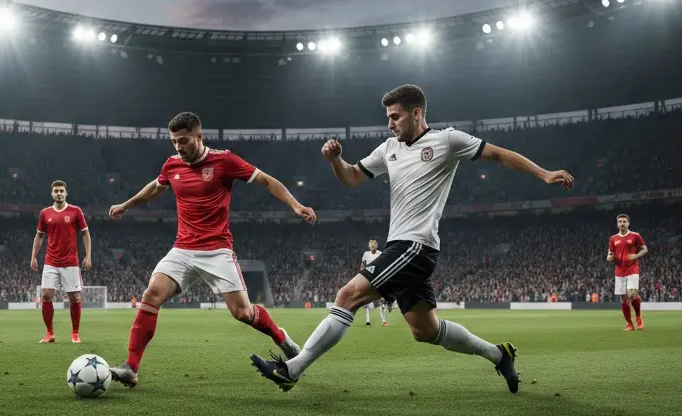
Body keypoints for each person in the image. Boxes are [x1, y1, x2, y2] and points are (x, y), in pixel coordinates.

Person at [250, 84, 574, 394]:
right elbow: (350, 177)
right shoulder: (388, 148)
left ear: (416, 113)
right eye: (388, 117)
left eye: (395, 116)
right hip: (399, 247)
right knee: (426, 331)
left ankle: (292, 369)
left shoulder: (448, 141)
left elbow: (500, 155)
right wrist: (335, 160)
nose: (389, 123)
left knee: (346, 295)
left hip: (417, 246)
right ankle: (499, 355)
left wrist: (543, 173)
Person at [107, 111, 317, 388]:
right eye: (174, 142)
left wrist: (296, 205)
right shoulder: (171, 165)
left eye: (183, 141)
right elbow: (155, 189)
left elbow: (267, 180)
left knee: (243, 313)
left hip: (217, 250)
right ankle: (131, 368)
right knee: (151, 294)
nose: (178, 148)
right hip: (182, 249)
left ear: (199, 136)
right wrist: (126, 204)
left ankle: (282, 338)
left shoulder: (224, 161)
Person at [30, 180, 92, 344]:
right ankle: (50, 333)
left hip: (71, 262)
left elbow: (85, 234)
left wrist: (88, 255)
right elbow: (39, 236)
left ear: (66, 193)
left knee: (74, 297)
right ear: (52, 194)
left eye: (61, 191)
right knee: (46, 295)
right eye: (56, 191)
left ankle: (75, 333)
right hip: (51, 261)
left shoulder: (75, 211)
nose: (59, 193)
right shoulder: (45, 213)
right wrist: (33, 256)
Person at [607, 214, 648, 331]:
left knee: (632, 294)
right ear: (617, 223)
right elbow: (610, 253)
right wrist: (609, 258)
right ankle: (630, 324)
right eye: (620, 221)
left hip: (632, 269)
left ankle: (638, 317)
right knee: (623, 299)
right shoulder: (613, 238)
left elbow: (645, 249)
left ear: (628, 223)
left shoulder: (635, 236)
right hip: (619, 271)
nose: (622, 223)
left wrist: (636, 255)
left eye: (624, 221)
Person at [360, 239, 388, 327]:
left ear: (376, 246)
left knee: (382, 300)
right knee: (367, 300)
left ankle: (384, 320)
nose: (372, 247)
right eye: (370, 245)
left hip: (379, 278)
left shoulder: (380, 254)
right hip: (369, 278)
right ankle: (368, 321)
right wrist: (362, 273)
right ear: (369, 246)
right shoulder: (366, 254)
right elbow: (362, 265)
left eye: (373, 245)